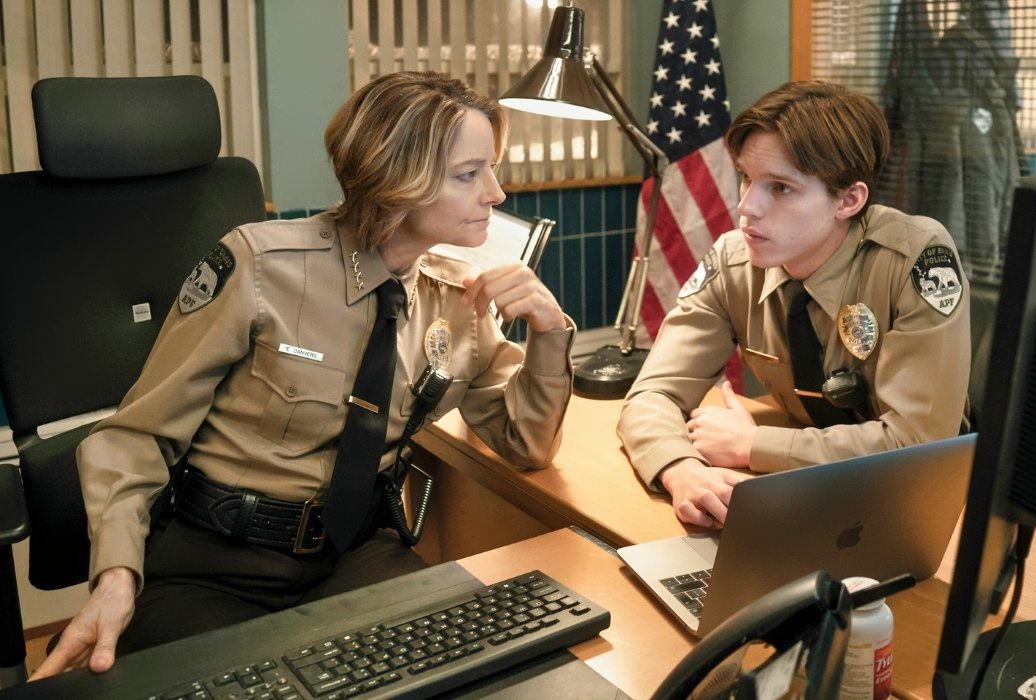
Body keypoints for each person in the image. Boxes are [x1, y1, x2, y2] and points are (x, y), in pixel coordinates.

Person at [32, 71, 575, 679]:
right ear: (398, 180)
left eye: (491, 170)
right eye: (470, 174)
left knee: (475, 671)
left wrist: (550, 335)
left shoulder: (457, 295)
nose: (497, 194)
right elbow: (134, 437)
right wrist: (114, 578)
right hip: (213, 566)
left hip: (353, 557)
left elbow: (525, 446)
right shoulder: (260, 267)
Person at [618, 80, 971, 528]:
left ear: (849, 200)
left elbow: (916, 445)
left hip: (913, 504)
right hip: (802, 497)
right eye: (746, 178)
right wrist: (678, 468)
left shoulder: (914, 259)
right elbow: (653, 393)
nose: (746, 207)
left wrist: (754, 446)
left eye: (780, 188)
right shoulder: (734, 260)